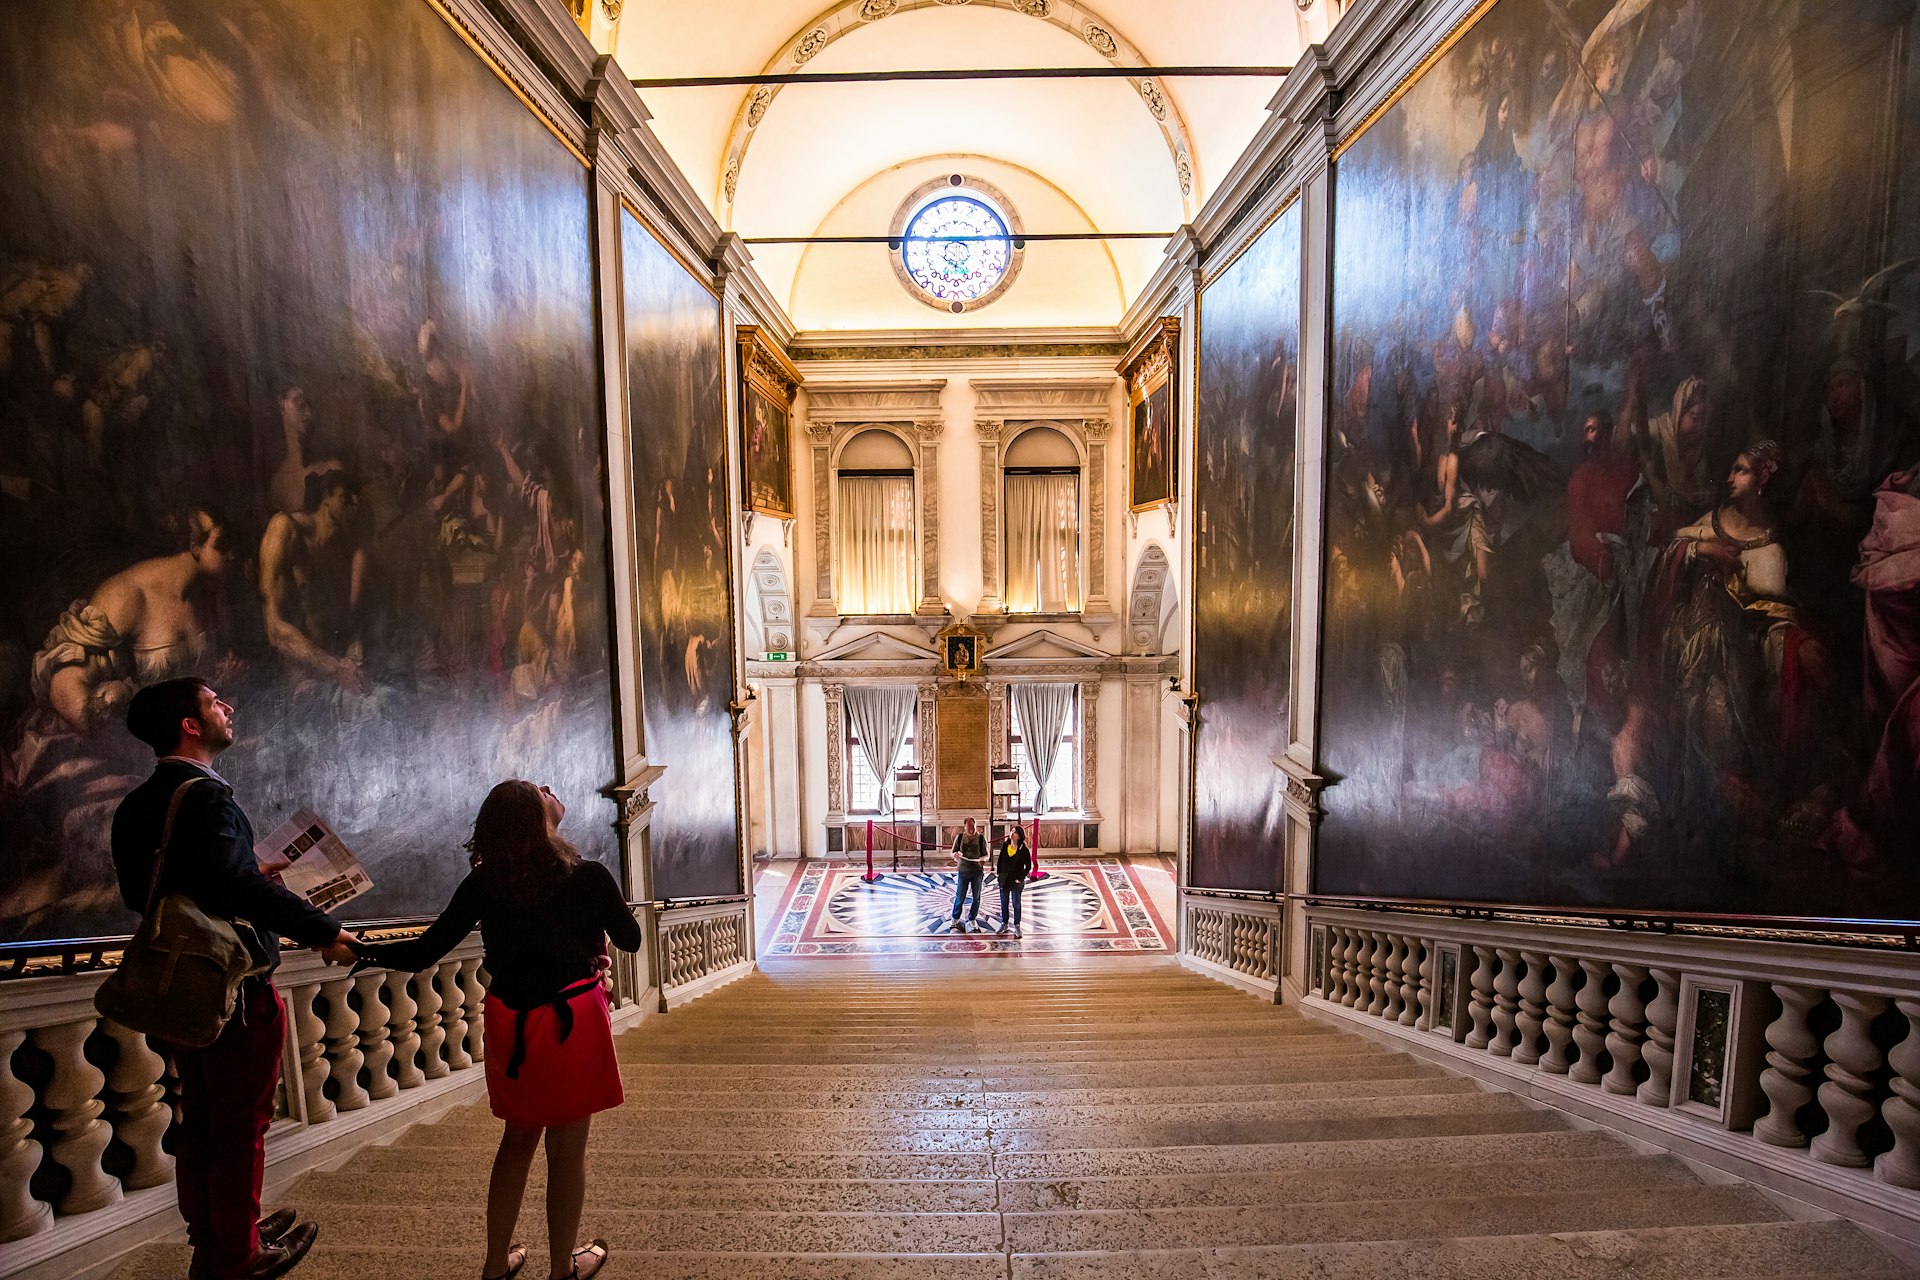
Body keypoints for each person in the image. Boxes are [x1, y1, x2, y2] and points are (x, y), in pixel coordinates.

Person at [111, 677, 362, 1280]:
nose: (227, 706)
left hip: (179, 987)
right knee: (242, 1126)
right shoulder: (209, 797)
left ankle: (218, 1232)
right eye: (213, 701)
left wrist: (246, 869)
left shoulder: (136, 803)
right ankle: (237, 1253)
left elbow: (143, 892)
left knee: (199, 1116)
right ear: (189, 726)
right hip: (235, 988)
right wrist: (323, 930)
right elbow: (234, 888)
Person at [355, 780, 640, 1280]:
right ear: (538, 814)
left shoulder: (486, 882)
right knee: (567, 1153)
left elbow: (425, 951)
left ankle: (494, 1266)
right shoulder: (587, 875)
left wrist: (359, 949)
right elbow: (632, 939)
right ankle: (561, 1271)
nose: (550, 788)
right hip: (572, 1020)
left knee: (517, 1141)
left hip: (513, 1023)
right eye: (540, 788)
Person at [949, 816, 987, 932]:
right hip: (963, 871)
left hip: (977, 872)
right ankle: (955, 920)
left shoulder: (981, 839)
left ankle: (972, 919)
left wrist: (983, 859)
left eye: (973, 827)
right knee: (960, 896)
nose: (971, 829)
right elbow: (952, 853)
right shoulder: (959, 838)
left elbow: (986, 854)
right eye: (969, 827)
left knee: (976, 897)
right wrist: (954, 855)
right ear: (965, 827)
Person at [995, 824, 1033, 937]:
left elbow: (1028, 866)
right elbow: (1000, 861)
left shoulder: (1023, 850)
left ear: (1019, 836)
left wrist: (1020, 878)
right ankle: (1004, 923)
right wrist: (1000, 875)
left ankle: (1017, 925)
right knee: (1004, 903)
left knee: (1016, 903)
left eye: (1015, 832)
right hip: (1004, 880)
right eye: (1011, 831)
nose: (1012, 833)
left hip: (1016, 881)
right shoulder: (1005, 846)